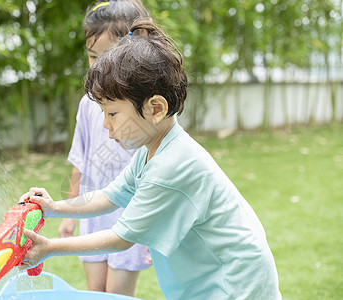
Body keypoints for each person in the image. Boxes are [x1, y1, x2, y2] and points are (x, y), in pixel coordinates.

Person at [19, 19, 282, 299]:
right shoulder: (151, 150)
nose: (106, 125)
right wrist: (53, 207)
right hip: (210, 280)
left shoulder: (173, 166)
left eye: (112, 114)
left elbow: (121, 238)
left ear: (155, 108)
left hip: (235, 285)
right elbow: (111, 196)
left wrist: (50, 247)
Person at [57, 0, 151, 296]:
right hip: (94, 218)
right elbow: (80, 163)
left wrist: (152, 229)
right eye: (92, 56)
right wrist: (71, 214)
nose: (97, 66)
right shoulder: (87, 104)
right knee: (95, 294)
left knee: (116, 296)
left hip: (131, 218)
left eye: (107, 56)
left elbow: (157, 173)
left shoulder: (146, 107)